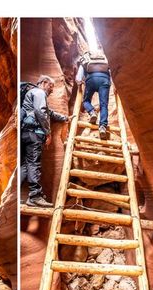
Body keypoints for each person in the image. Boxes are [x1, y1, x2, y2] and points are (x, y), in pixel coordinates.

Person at [20, 75, 70, 208]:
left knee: (26, 165)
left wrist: (64, 117)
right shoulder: (39, 92)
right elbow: (41, 112)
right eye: (50, 86)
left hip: (26, 132)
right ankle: (35, 196)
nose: (52, 90)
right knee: (34, 163)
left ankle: (16, 194)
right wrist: (48, 133)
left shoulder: (33, 94)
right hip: (34, 133)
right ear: (43, 83)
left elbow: (49, 112)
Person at [76, 49, 111, 139]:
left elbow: (80, 74)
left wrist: (79, 81)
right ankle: (103, 126)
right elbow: (111, 70)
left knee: (86, 101)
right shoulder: (105, 57)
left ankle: (92, 112)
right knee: (104, 105)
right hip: (104, 79)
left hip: (91, 79)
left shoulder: (86, 57)